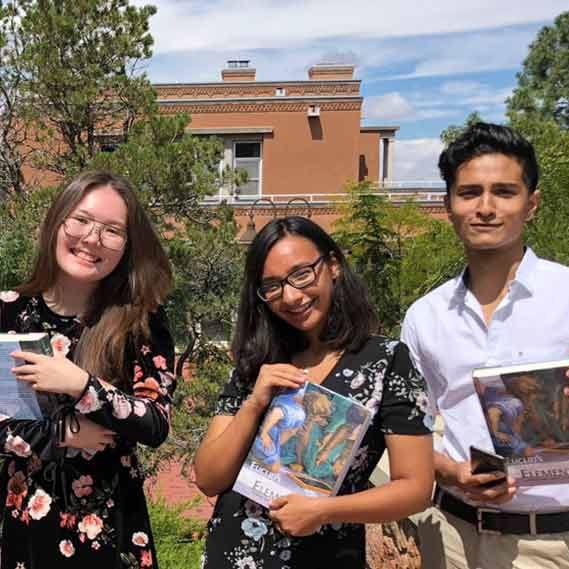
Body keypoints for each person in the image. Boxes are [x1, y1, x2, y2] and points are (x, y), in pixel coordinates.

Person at [195, 216, 433, 569]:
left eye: (302, 274)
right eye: (272, 286)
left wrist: (324, 511)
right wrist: (255, 403)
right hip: (233, 554)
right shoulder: (256, 364)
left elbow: (415, 488)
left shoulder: (385, 362)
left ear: (333, 265)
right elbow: (209, 479)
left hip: (326, 556)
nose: (291, 296)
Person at [401, 122, 569, 569]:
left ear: (531, 204)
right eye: (470, 192)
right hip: (454, 537)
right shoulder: (425, 317)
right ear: (449, 206)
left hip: (553, 543)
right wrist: (453, 472)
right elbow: (409, 432)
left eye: (505, 192)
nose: (487, 208)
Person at [0, 171, 176, 568]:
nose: (92, 238)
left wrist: (81, 385)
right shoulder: (8, 312)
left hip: (112, 528)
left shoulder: (140, 320)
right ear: (57, 221)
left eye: (112, 230)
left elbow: (156, 423)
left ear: (127, 247)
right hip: (27, 525)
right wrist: (60, 433)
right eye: (81, 220)